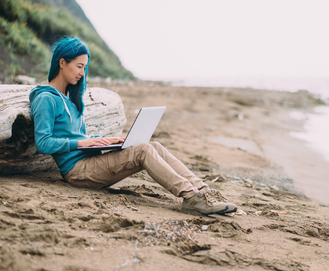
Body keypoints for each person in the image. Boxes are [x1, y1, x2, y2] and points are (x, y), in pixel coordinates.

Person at [29, 36, 237, 215]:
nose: (82, 73)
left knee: (153, 145)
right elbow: (44, 143)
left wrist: (108, 142)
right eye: (79, 66)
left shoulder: (69, 97)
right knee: (144, 151)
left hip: (90, 160)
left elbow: (75, 136)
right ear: (62, 63)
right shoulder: (46, 98)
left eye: (85, 67)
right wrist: (84, 143)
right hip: (77, 171)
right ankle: (191, 197)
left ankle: (204, 191)